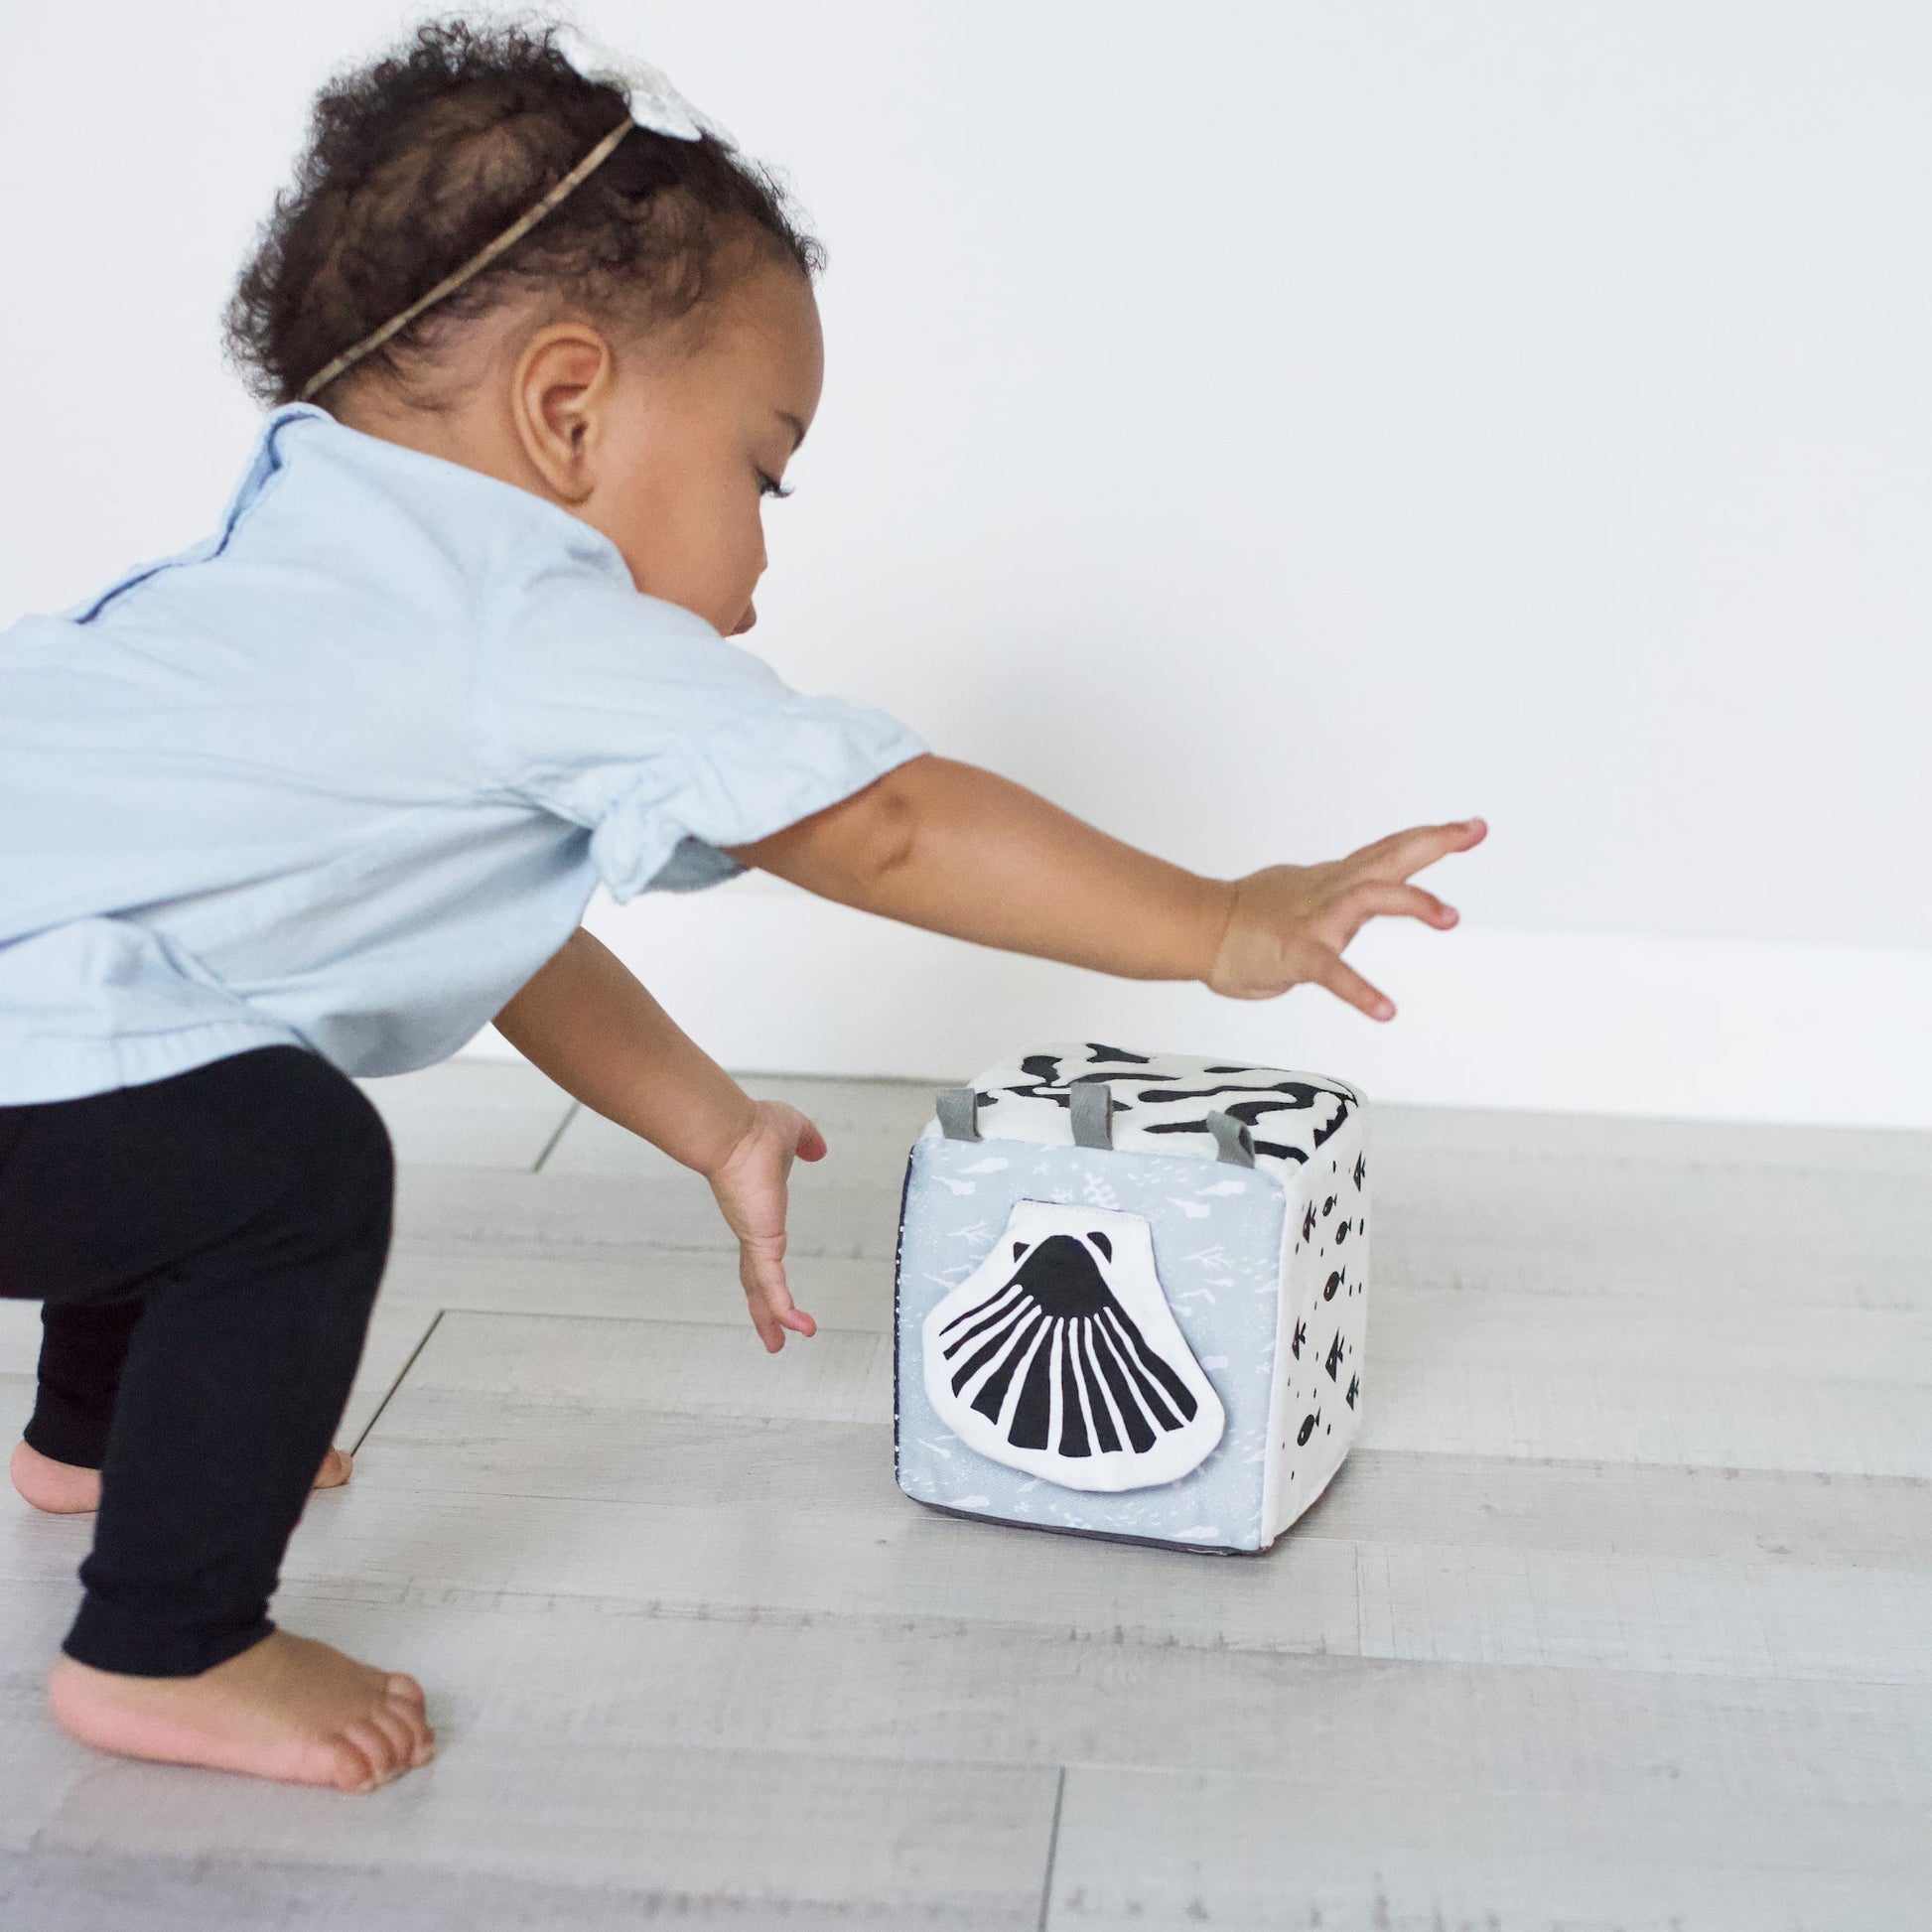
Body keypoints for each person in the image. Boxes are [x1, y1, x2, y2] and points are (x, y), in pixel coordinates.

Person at [0, 18, 1483, 1795]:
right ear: (565, 411)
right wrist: (1217, 923)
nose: (765, 551)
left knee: (172, 1035)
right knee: (289, 1167)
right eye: (760, 474)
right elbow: (885, 824)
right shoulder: (523, 621)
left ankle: (101, 1437)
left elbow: (506, 938)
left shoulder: (315, 564)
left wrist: (710, 1123)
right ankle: (171, 1641)